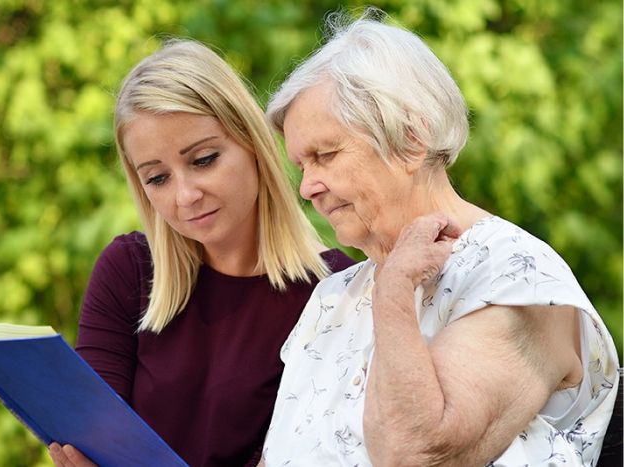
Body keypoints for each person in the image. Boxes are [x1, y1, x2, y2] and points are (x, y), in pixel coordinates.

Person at [259, 12, 620, 466]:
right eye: (301, 166)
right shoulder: (333, 297)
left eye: (325, 156)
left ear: (411, 141)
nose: (307, 187)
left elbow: (416, 453)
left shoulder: (516, 274)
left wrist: (393, 295)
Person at [48, 39, 355, 467]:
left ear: (252, 143)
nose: (186, 196)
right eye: (157, 178)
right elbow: (92, 442)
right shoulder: (128, 271)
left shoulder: (339, 294)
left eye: (204, 160)